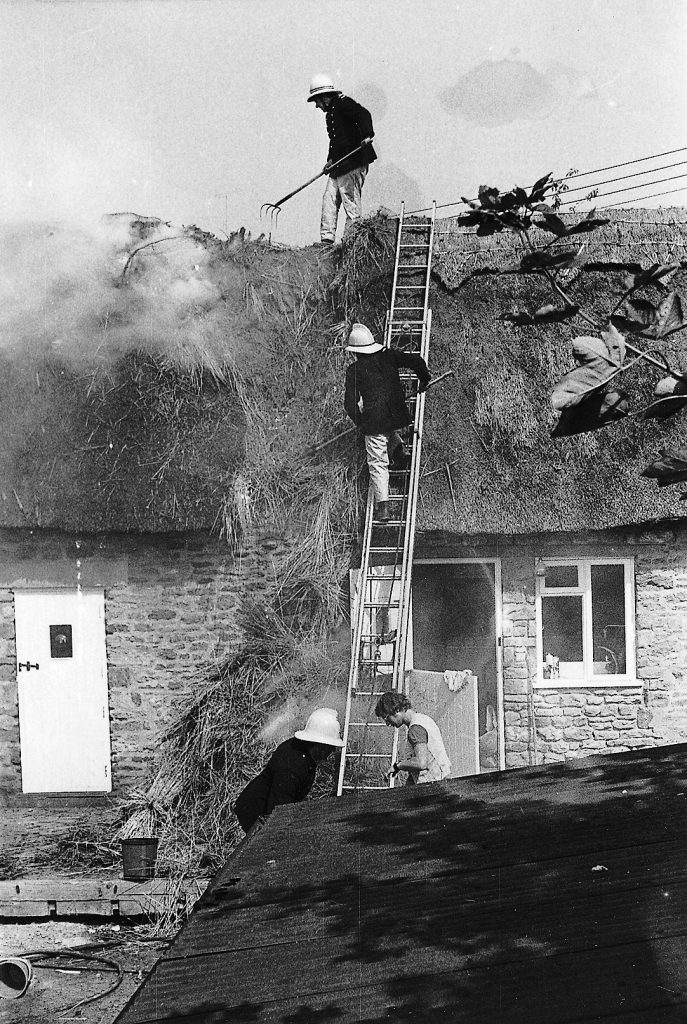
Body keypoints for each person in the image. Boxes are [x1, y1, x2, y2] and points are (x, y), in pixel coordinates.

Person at [344, 323, 431, 522]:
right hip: (397, 416)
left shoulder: (354, 370)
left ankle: (383, 507)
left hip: (375, 421)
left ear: (356, 352)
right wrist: (424, 379)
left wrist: (361, 423)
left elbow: (349, 404)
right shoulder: (389, 356)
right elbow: (416, 360)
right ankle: (399, 449)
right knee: (387, 432)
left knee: (377, 463)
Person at [232, 707, 344, 834]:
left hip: (264, 808)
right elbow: (278, 811)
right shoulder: (292, 767)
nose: (332, 752)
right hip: (253, 815)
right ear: (319, 745)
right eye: (330, 747)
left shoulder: (301, 751)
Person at [307, 73, 376, 245]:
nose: (316, 106)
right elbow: (335, 140)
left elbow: (364, 114)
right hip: (339, 164)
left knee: (350, 200)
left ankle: (354, 241)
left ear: (323, 97)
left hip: (353, 160)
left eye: (316, 101)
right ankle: (327, 239)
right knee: (329, 197)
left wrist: (368, 134)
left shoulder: (343, 103)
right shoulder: (330, 113)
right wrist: (330, 160)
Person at [375, 690, 451, 784]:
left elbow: (421, 763)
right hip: (441, 779)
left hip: (433, 785)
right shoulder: (423, 719)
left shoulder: (415, 729)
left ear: (396, 710)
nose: (387, 723)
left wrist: (398, 766)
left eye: (386, 717)